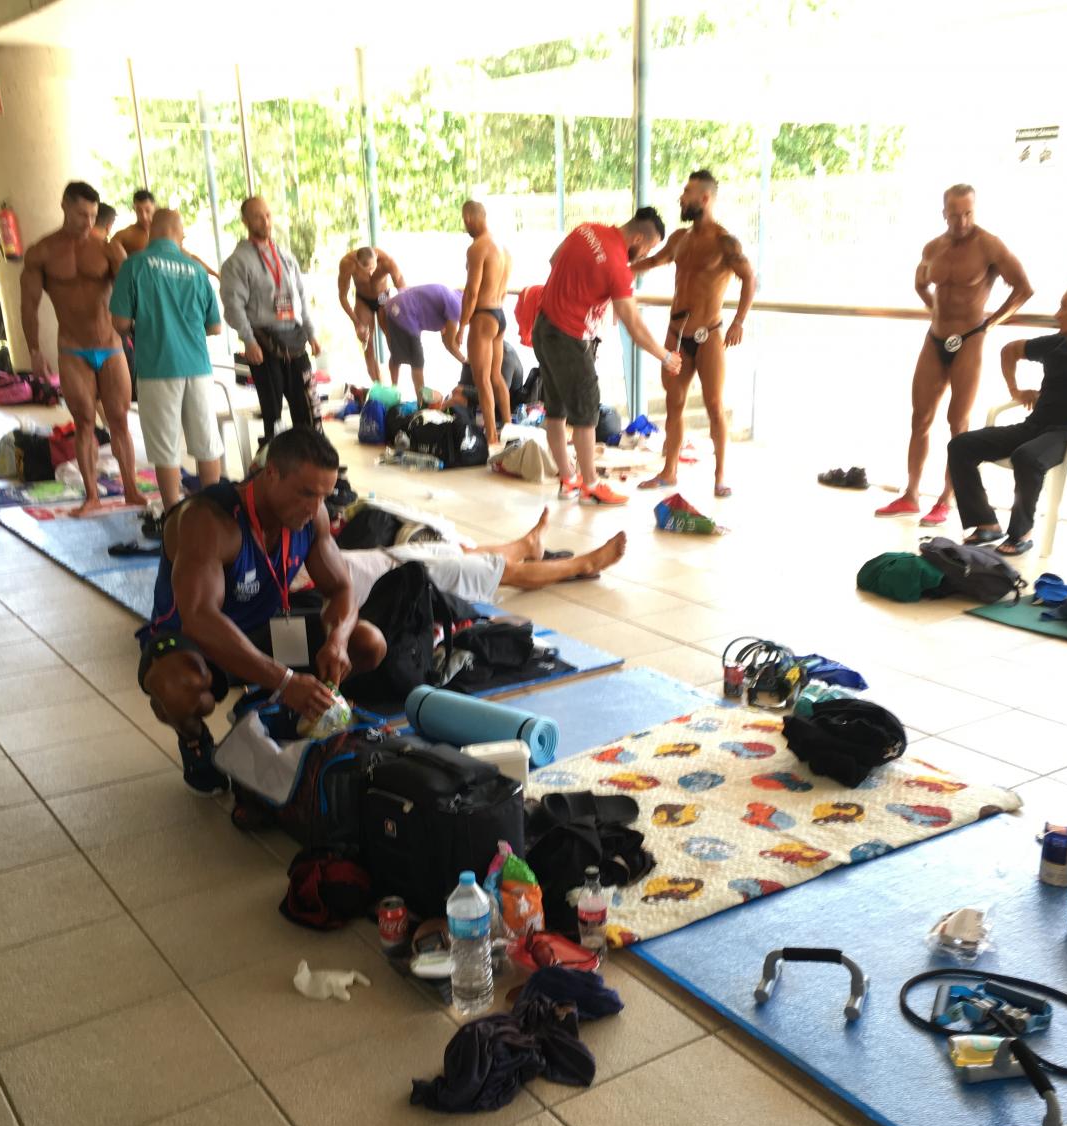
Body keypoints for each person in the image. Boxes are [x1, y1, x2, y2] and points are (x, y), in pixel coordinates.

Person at [137, 427, 385, 793]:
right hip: (202, 641)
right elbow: (200, 618)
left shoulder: (312, 516)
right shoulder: (207, 521)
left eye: (324, 495)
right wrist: (285, 681)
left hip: (265, 629)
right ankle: (194, 742)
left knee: (368, 642)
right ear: (271, 474)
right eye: (306, 493)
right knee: (177, 687)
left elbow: (341, 588)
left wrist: (337, 641)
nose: (315, 507)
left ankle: (308, 714)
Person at [877, 184, 1033, 526]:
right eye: (954, 214)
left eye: (968, 213)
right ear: (943, 213)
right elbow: (920, 283)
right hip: (935, 338)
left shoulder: (989, 245)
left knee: (957, 424)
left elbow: (1024, 288)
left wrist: (991, 322)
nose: (961, 221)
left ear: (974, 211)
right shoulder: (933, 247)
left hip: (970, 338)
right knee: (920, 418)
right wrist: (934, 309)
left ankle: (946, 499)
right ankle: (911, 495)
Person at [947, 285, 1067, 556]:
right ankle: (985, 522)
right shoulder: (1056, 343)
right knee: (961, 446)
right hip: (1035, 426)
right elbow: (1009, 350)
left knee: (1027, 457)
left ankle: (1021, 533)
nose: (1057, 314)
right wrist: (1015, 390)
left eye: (1064, 307)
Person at [534, 209, 681, 507]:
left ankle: (569, 479)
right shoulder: (618, 268)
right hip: (570, 337)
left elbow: (554, 260)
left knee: (556, 411)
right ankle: (590, 485)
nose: (644, 255)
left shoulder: (585, 230)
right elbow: (634, 325)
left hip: (544, 326)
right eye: (648, 248)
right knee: (587, 413)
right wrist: (665, 356)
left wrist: (582, 288)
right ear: (638, 238)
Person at [20, 180, 140, 518]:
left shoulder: (108, 250)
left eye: (92, 215)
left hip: (111, 346)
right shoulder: (41, 253)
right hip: (72, 350)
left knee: (119, 418)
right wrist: (34, 350)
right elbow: (28, 306)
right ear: (64, 206)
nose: (88, 222)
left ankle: (131, 488)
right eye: (80, 214)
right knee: (84, 420)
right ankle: (92, 495)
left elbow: (132, 297)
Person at [635, 170, 755, 498]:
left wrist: (739, 321)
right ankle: (669, 471)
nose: (681, 198)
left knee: (714, 404)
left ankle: (720, 476)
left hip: (709, 334)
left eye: (687, 193)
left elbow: (749, 278)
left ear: (704, 198)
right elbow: (653, 261)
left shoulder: (725, 242)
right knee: (674, 402)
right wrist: (620, 270)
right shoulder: (679, 239)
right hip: (676, 334)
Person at [110, 209, 224, 512]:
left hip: (157, 367)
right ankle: (214, 512)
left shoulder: (134, 265)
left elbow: (119, 322)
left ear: (152, 230)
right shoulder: (197, 270)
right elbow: (215, 326)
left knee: (166, 447)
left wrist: (146, 324)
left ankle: (173, 512)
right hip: (198, 367)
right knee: (207, 442)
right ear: (178, 233)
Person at [335, 506, 627, 607]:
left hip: (388, 559)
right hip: (398, 583)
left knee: (456, 550)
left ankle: (527, 546)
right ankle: (583, 564)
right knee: (498, 571)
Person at [220, 196, 321, 449]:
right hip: (263, 343)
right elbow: (233, 306)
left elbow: (301, 298)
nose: (265, 221)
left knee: (309, 406)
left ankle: (314, 458)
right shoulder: (237, 261)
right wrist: (249, 340)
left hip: (295, 339)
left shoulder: (285, 257)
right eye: (257, 217)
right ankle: (275, 463)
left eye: (267, 215)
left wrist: (311, 334)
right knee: (273, 414)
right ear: (245, 221)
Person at [458, 201, 513, 445]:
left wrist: (462, 326)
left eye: (464, 220)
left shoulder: (477, 248)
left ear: (469, 217)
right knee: (495, 376)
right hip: (499, 315)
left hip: (482, 316)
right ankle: (510, 429)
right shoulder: (503, 250)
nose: (465, 226)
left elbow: (471, 292)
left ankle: (491, 436)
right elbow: (503, 290)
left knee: (482, 381)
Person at [381, 284, 464, 397]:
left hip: (395, 307)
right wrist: (465, 361)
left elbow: (446, 340)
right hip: (403, 312)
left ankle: (393, 390)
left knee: (397, 354)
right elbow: (450, 344)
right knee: (417, 360)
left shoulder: (455, 297)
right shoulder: (456, 306)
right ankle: (421, 402)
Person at [336, 245, 405, 383]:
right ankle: (377, 385)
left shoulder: (387, 261)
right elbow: (342, 296)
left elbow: (402, 287)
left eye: (373, 268)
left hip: (383, 298)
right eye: (366, 270)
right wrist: (356, 322)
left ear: (376, 258)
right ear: (358, 263)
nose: (371, 273)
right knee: (366, 342)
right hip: (363, 300)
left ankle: (395, 386)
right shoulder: (347, 263)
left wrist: (403, 313)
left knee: (393, 340)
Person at [450, 340, 525, 414]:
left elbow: (498, 397)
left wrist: (464, 392)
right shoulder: (478, 345)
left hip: (504, 410)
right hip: (486, 399)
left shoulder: (505, 356)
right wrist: (459, 392)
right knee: (453, 404)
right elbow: (464, 381)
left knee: (460, 402)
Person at [112, 189, 155, 257]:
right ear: (134, 209)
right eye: (139, 211)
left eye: (147, 210)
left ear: (154, 207)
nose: (144, 216)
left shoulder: (166, 232)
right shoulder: (124, 235)